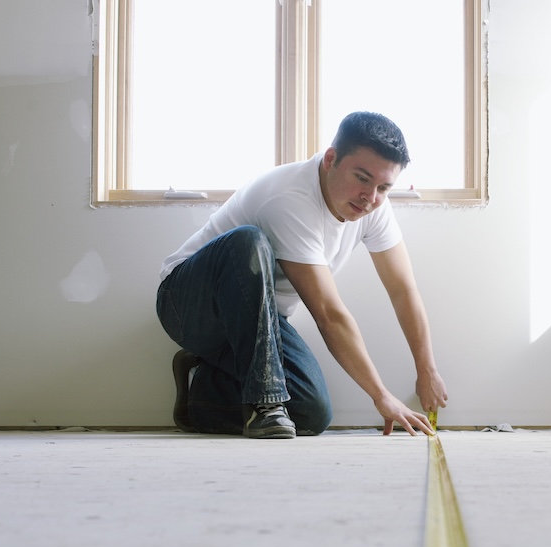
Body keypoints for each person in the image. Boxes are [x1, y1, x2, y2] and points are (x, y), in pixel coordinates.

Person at [155, 111, 447, 439]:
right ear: (331, 159)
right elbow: (328, 314)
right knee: (247, 241)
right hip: (188, 305)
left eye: (384, 187)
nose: (371, 197)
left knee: (311, 412)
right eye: (362, 178)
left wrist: (427, 371)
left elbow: (402, 290)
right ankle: (261, 405)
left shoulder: (373, 207)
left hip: (258, 323)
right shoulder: (290, 197)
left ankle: (202, 393)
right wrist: (381, 396)